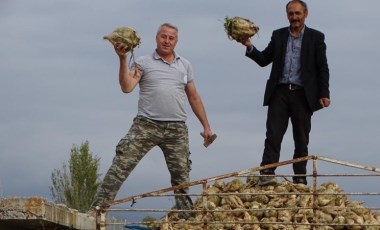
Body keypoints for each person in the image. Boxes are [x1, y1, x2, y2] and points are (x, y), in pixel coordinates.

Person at [91, 23, 214, 218]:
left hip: (176, 128)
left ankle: (186, 219)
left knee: (181, 177)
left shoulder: (185, 65)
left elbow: (194, 97)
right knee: (121, 164)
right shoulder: (143, 62)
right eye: (163, 36)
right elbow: (127, 86)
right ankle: (96, 210)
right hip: (146, 125)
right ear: (157, 38)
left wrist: (206, 126)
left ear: (176, 41)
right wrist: (122, 59)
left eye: (171, 38)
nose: (167, 41)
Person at [237, 0, 330, 185]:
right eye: (291, 14)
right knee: (273, 135)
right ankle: (267, 174)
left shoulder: (316, 37)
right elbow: (264, 59)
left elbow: (322, 68)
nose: (294, 17)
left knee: (301, 138)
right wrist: (249, 45)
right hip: (279, 92)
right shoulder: (278, 35)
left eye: (297, 13)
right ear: (287, 15)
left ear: (305, 14)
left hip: (303, 94)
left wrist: (324, 93)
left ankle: (300, 179)